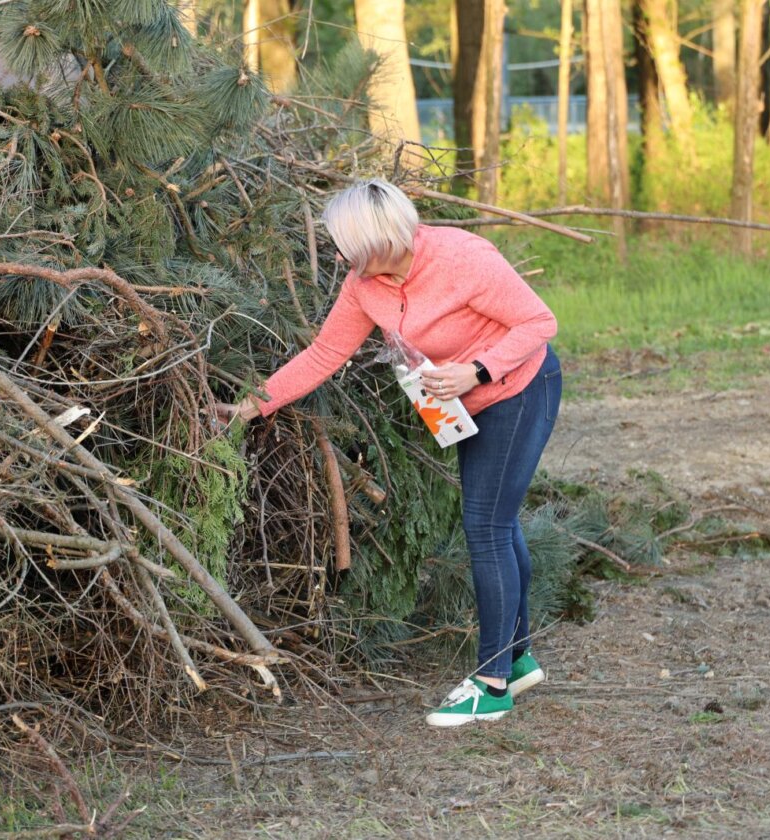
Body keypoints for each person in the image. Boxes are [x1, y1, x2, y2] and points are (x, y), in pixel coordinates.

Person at [215, 178, 562, 727]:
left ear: (379, 240)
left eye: (348, 247)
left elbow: (540, 322)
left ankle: (492, 684)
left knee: (486, 527)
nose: (340, 258)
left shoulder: (462, 258)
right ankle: (516, 660)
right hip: (464, 406)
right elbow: (325, 352)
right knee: (498, 522)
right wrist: (249, 407)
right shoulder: (363, 285)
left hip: (519, 390)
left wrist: (476, 370)